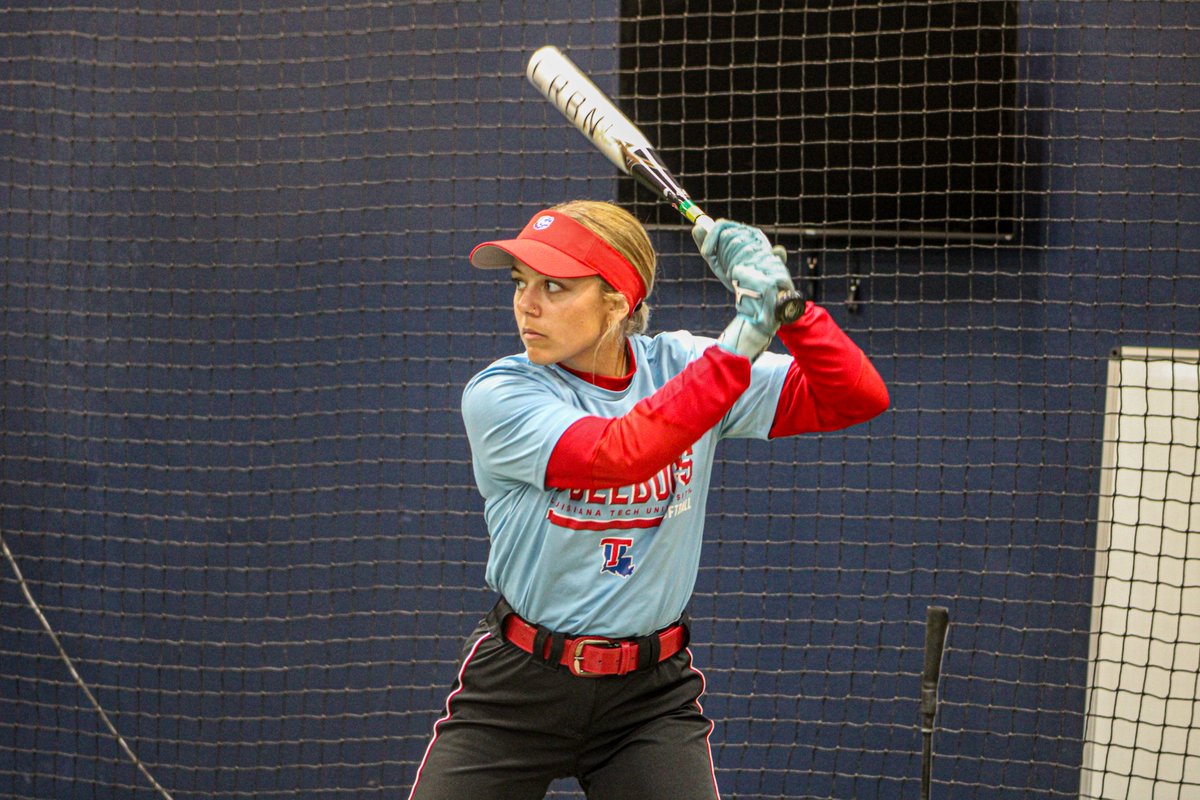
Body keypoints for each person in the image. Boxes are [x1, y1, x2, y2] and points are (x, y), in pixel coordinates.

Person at [408, 200, 889, 800]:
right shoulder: (501, 393)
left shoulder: (682, 364)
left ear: (618, 301)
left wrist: (790, 307)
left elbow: (855, 396)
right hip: (518, 690)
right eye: (520, 282)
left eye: (555, 286)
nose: (526, 305)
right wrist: (742, 339)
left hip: (649, 700)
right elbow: (620, 453)